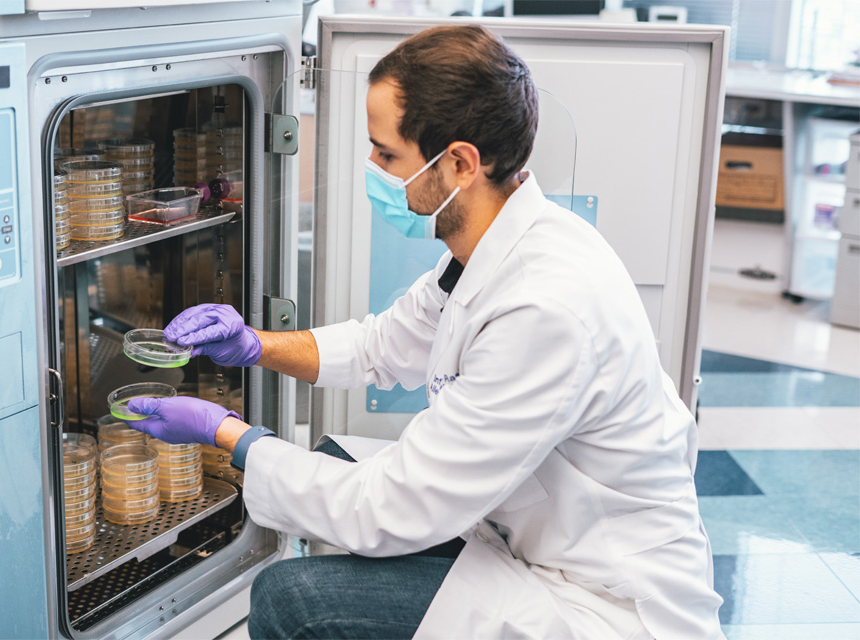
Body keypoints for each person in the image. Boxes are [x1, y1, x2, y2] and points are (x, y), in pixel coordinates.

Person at [128, 24, 724, 639]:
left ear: (460, 163)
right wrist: (254, 344)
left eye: (387, 155)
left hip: (601, 597)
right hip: (531, 533)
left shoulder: (545, 311)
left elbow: (391, 510)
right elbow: (379, 345)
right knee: (331, 462)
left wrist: (227, 433)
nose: (372, 169)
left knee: (289, 598)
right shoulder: (489, 251)